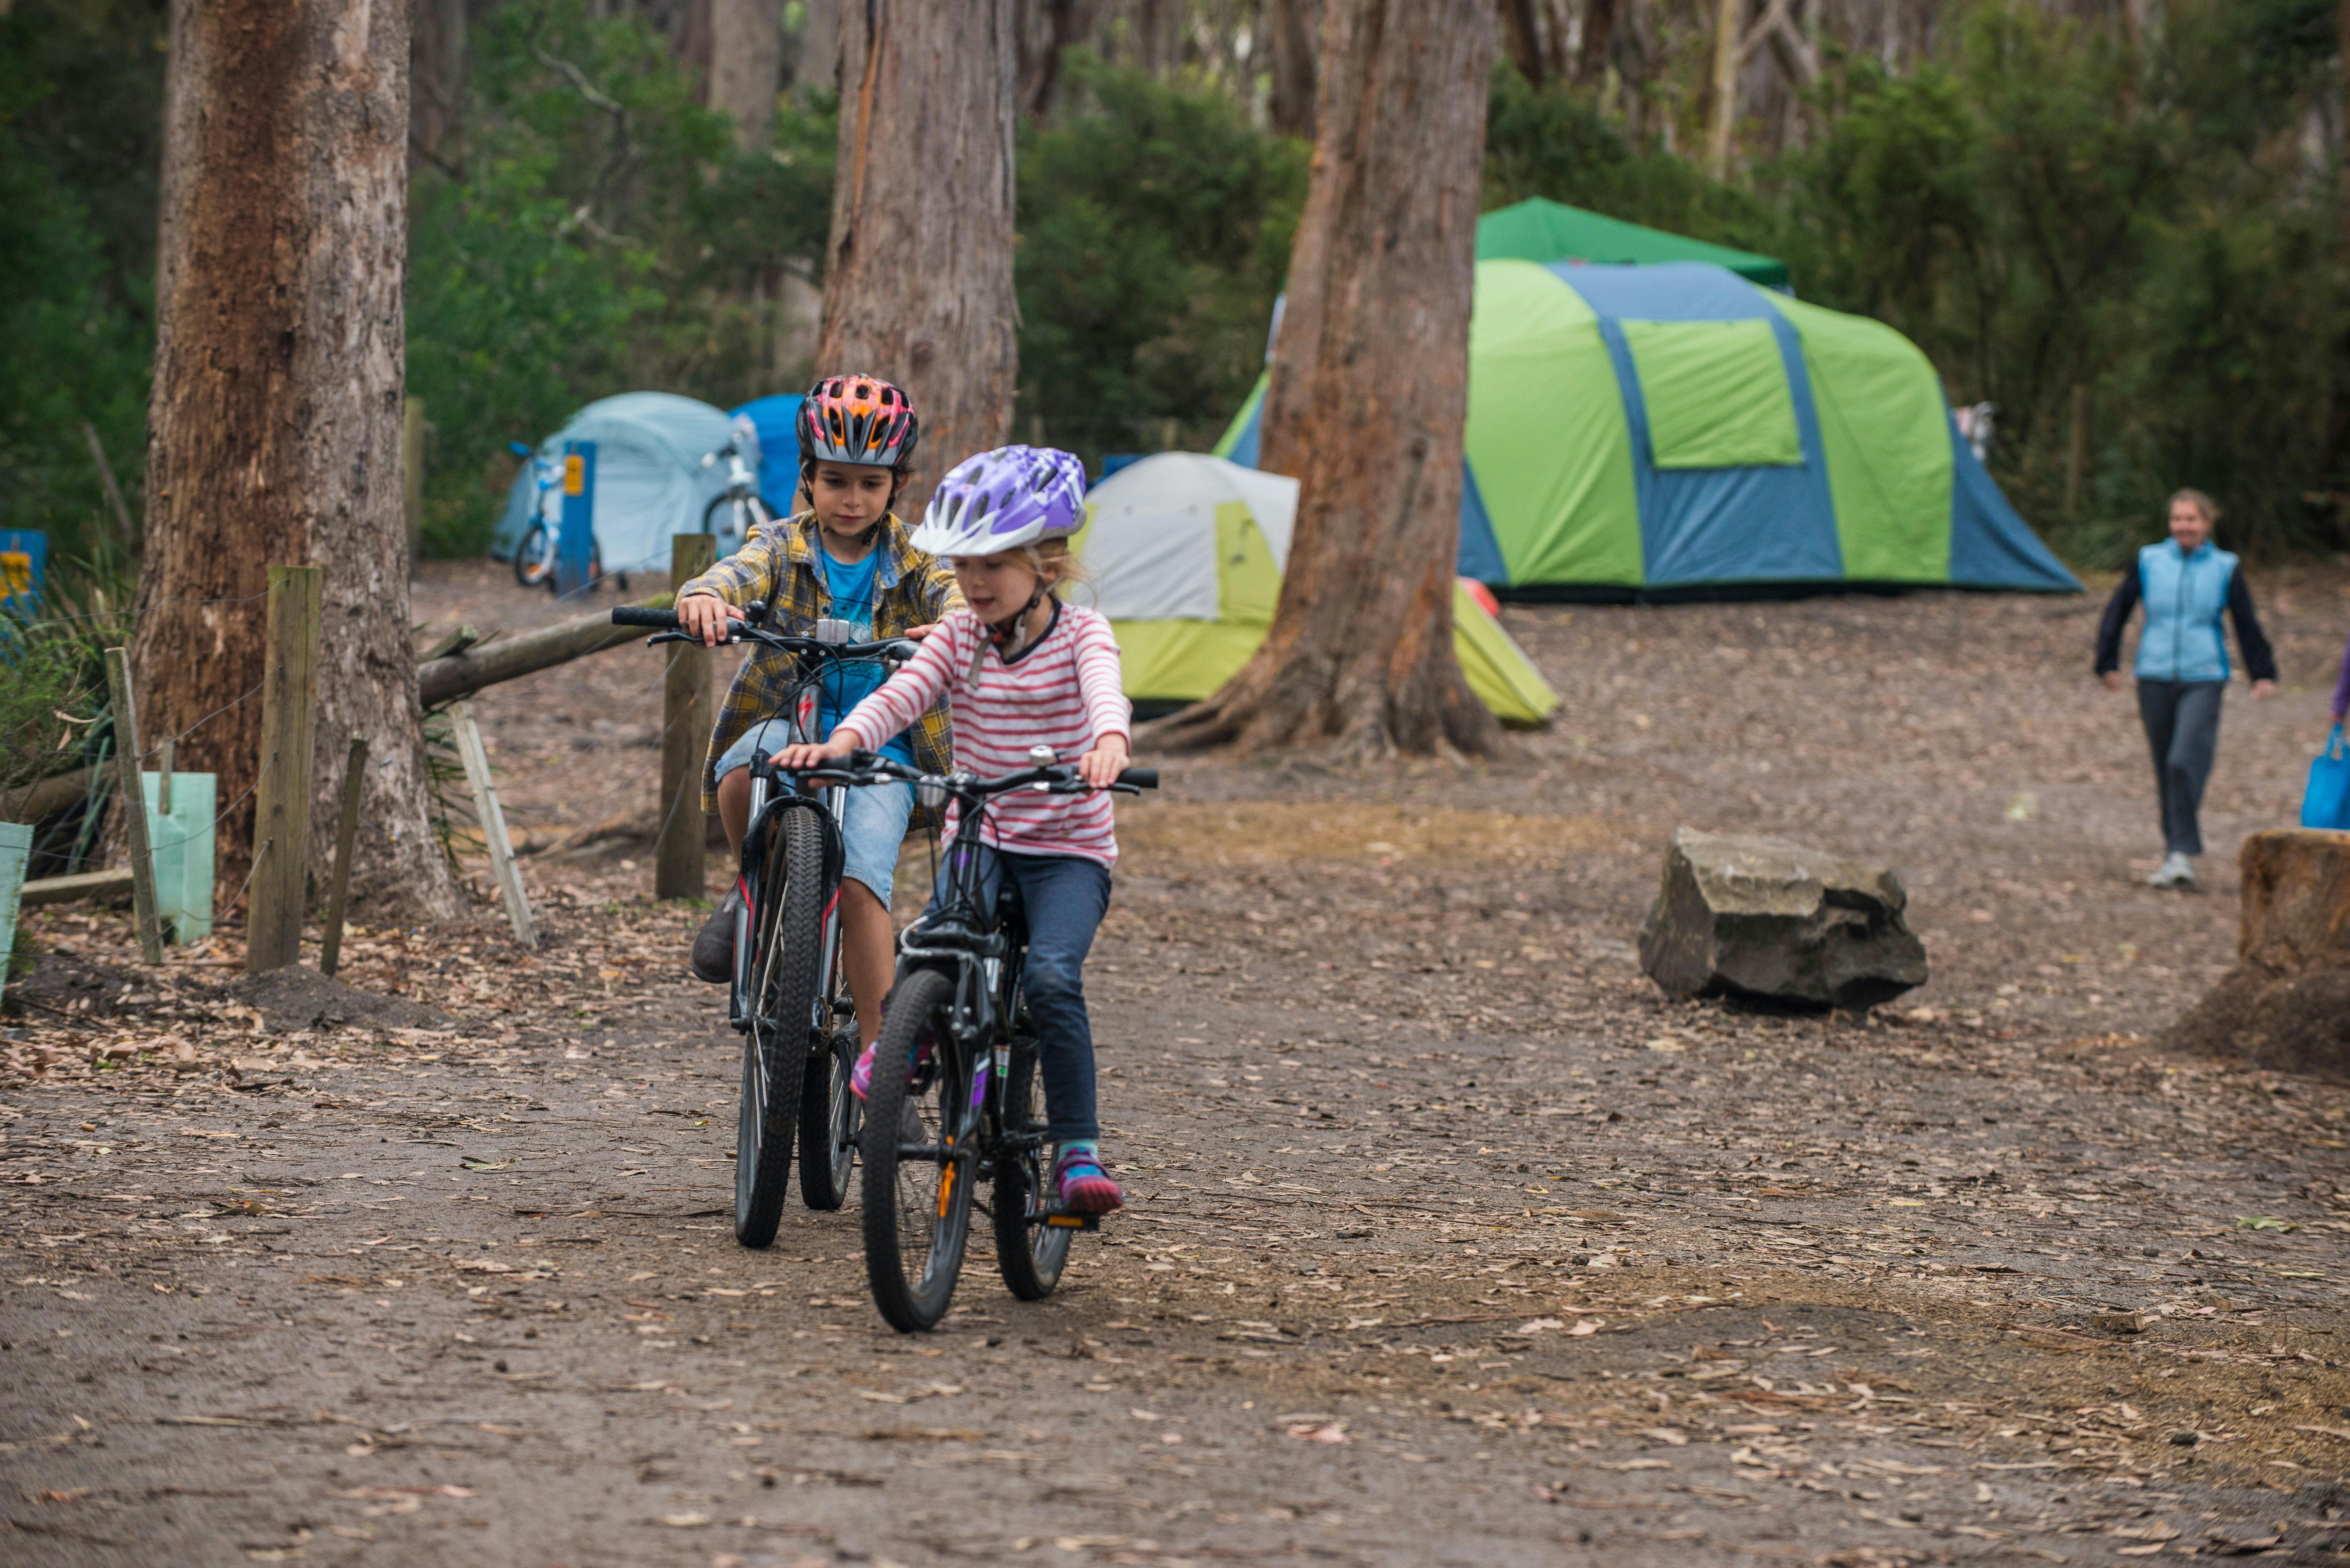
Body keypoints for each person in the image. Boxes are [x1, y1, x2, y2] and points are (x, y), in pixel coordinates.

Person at [772, 446, 1133, 1215]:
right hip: (983, 834)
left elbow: (1106, 693)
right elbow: (901, 695)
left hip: (1067, 851)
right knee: (933, 941)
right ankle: (908, 1045)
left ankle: (1076, 1148)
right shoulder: (959, 635)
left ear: (1046, 564)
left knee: (1051, 978)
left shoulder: (1082, 635)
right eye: (963, 564)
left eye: (993, 564)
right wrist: (844, 744)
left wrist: (1108, 745)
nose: (973, 581)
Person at [673, 375, 960, 1056]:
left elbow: (953, 592)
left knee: (860, 883)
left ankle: (879, 1063)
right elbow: (736, 572)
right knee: (743, 767)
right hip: (791, 720)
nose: (852, 499)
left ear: (897, 484)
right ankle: (752, 887)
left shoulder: (917, 558)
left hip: (883, 749)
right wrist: (705, 597)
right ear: (807, 477)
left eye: (870, 483)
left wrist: (957, 626)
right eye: (835, 481)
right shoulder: (779, 544)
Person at [2093, 488, 2277, 889]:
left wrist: (2262, 671)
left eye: (2191, 519)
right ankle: (2175, 854)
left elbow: (2245, 620)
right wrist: (2107, 660)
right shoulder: (2149, 561)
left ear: (2207, 523)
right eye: (2177, 519)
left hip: (2204, 675)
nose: (2183, 527)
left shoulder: (2225, 567)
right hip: (2154, 674)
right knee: (2165, 766)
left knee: (2183, 760)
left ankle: (2181, 849)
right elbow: (2118, 609)